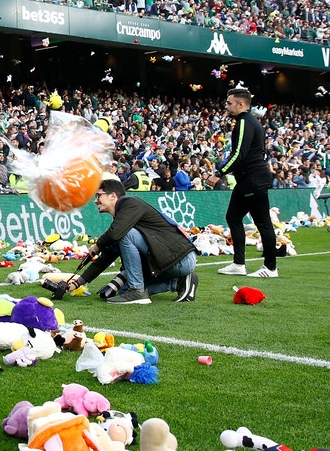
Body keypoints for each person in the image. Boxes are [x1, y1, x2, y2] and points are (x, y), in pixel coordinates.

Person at [63, 178, 198, 305]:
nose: (95, 201)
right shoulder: (123, 219)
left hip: (180, 259)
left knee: (125, 235)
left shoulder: (130, 203)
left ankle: (137, 291)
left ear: (113, 196)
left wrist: (98, 245)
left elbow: (115, 233)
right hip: (172, 261)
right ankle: (178, 282)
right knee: (122, 292)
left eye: (98, 196)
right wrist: (77, 283)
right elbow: (107, 257)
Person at [209, 87, 279, 279]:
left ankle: (270, 268)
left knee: (263, 223)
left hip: (252, 179)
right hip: (250, 179)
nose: (226, 106)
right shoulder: (250, 122)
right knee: (233, 217)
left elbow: (239, 154)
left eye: (229, 103)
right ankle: (239, 264)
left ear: (241, 104)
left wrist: (219, 173)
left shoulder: (244, 122)